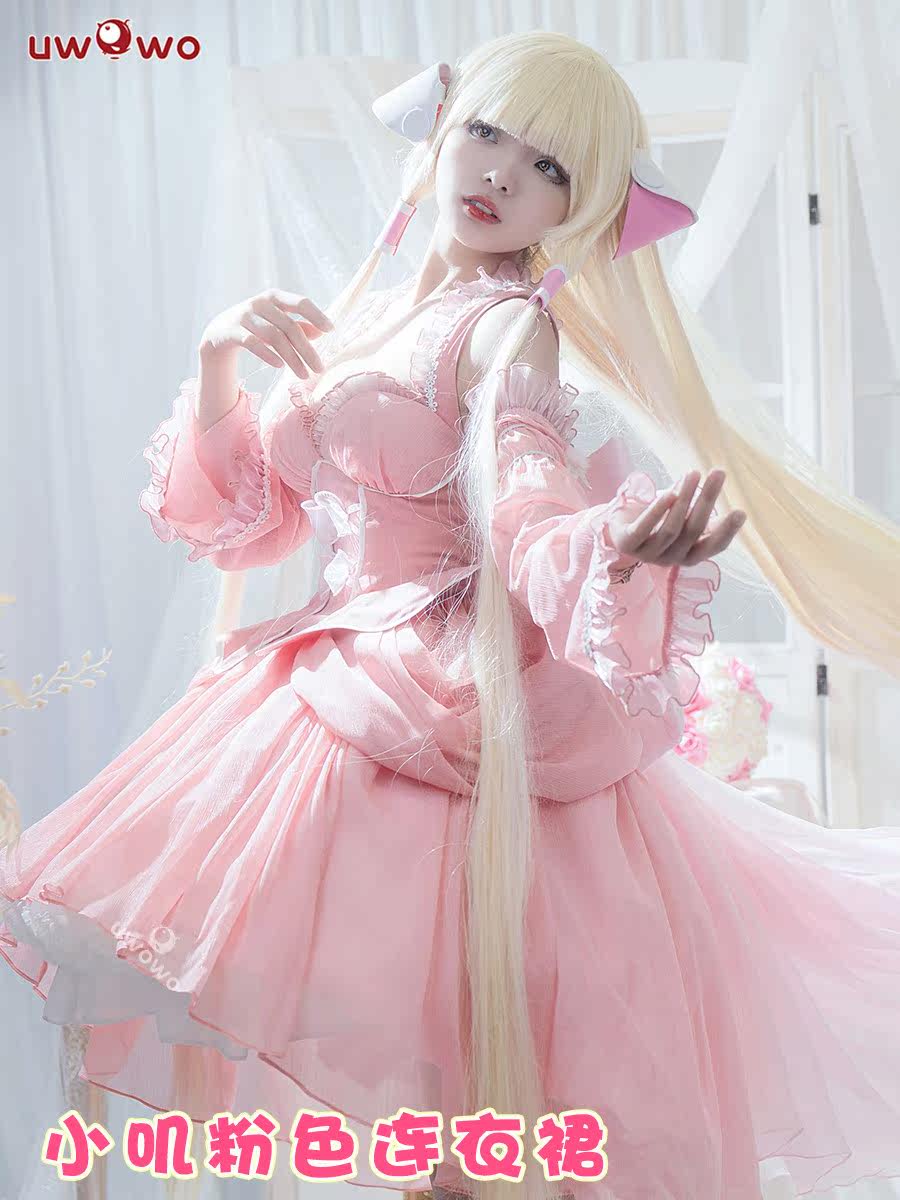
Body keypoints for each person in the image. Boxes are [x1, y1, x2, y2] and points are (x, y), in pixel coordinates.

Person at [3, 29, 900, 1200]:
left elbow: (525, 502)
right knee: (417, 1084)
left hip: (442, 699)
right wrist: (221, 356)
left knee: (476, 1088)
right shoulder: (359, 316)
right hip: (323, 676)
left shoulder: (510, 326)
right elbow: (252, 514)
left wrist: (613, 550)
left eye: (548, 168)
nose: (500, 174)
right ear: (438, 129)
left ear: (574, 212)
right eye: (485, 131)